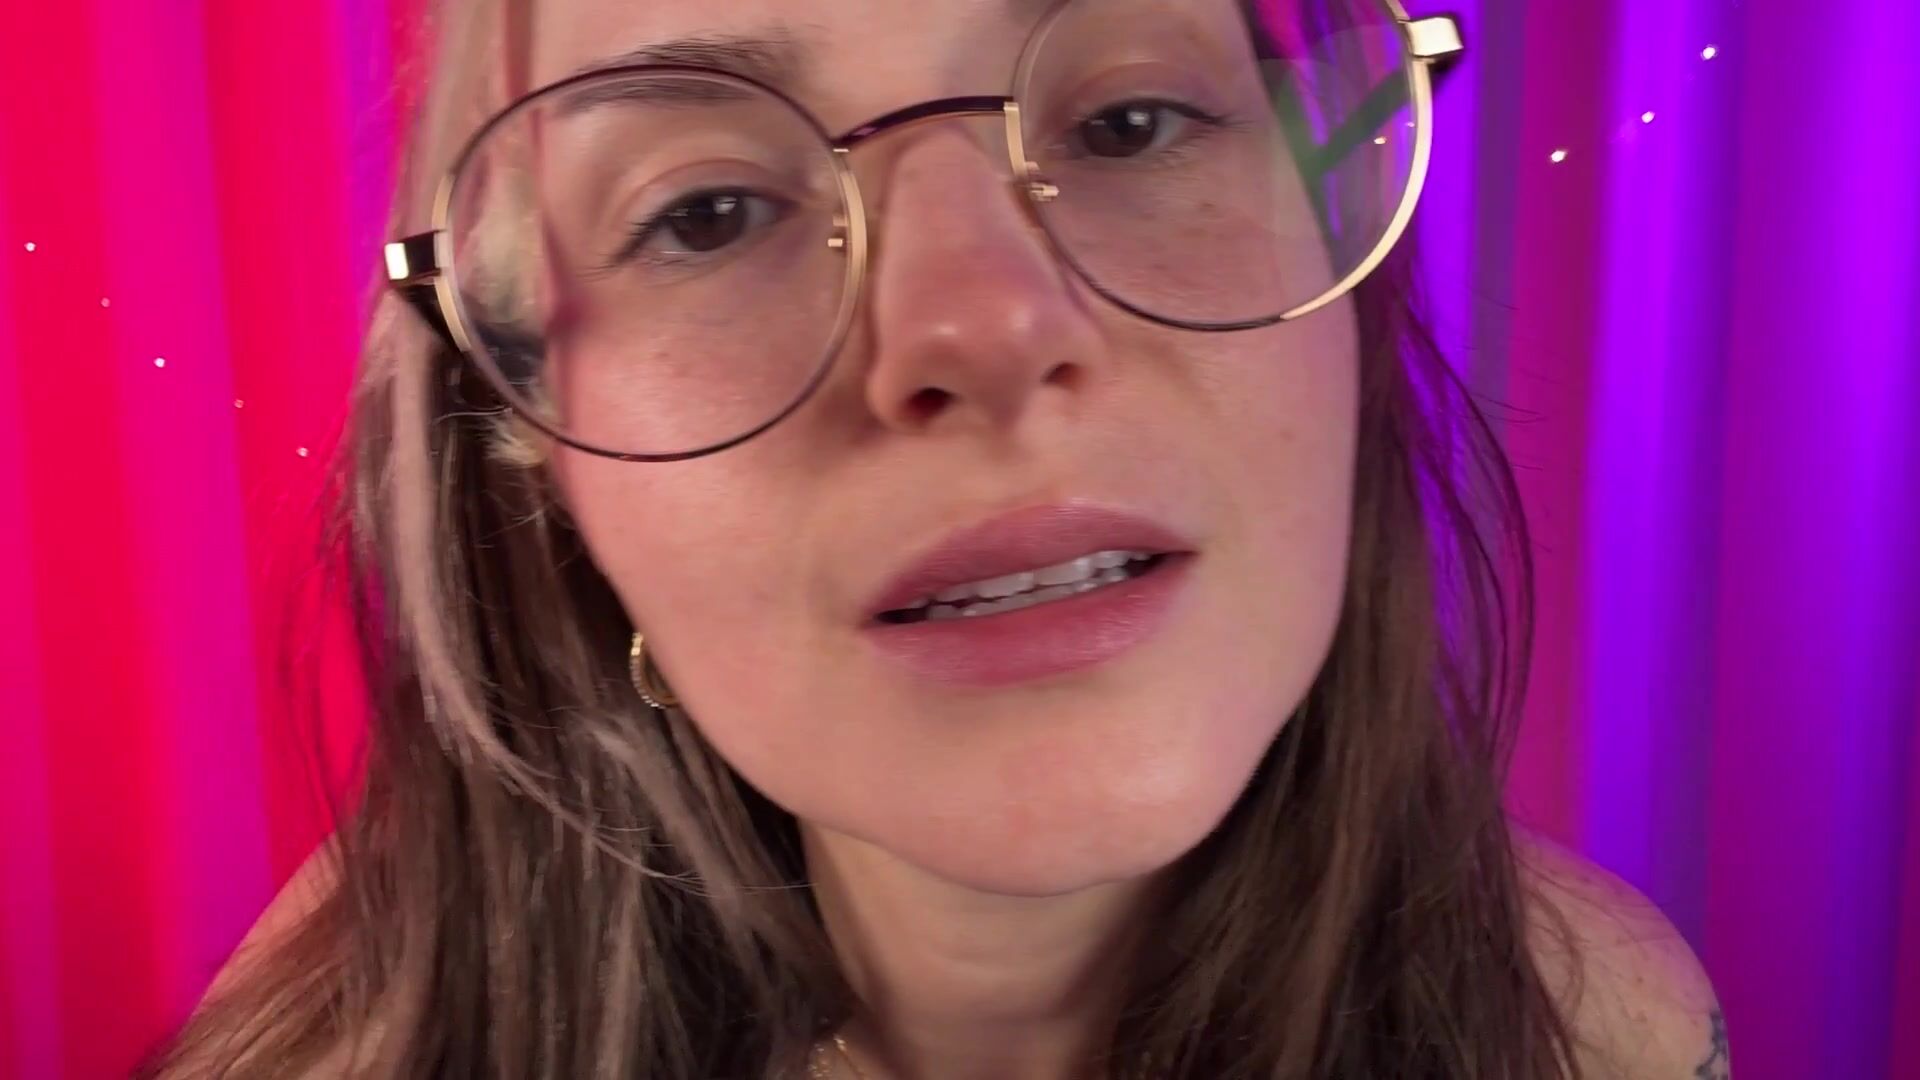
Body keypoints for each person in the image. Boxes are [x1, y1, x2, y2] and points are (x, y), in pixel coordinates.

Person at [141, 0, 1727, 1077]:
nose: (982, 321)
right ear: (539, 467)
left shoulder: (1592, 1032)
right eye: (707, 213)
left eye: (1130, 122)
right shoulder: (337, 1048)